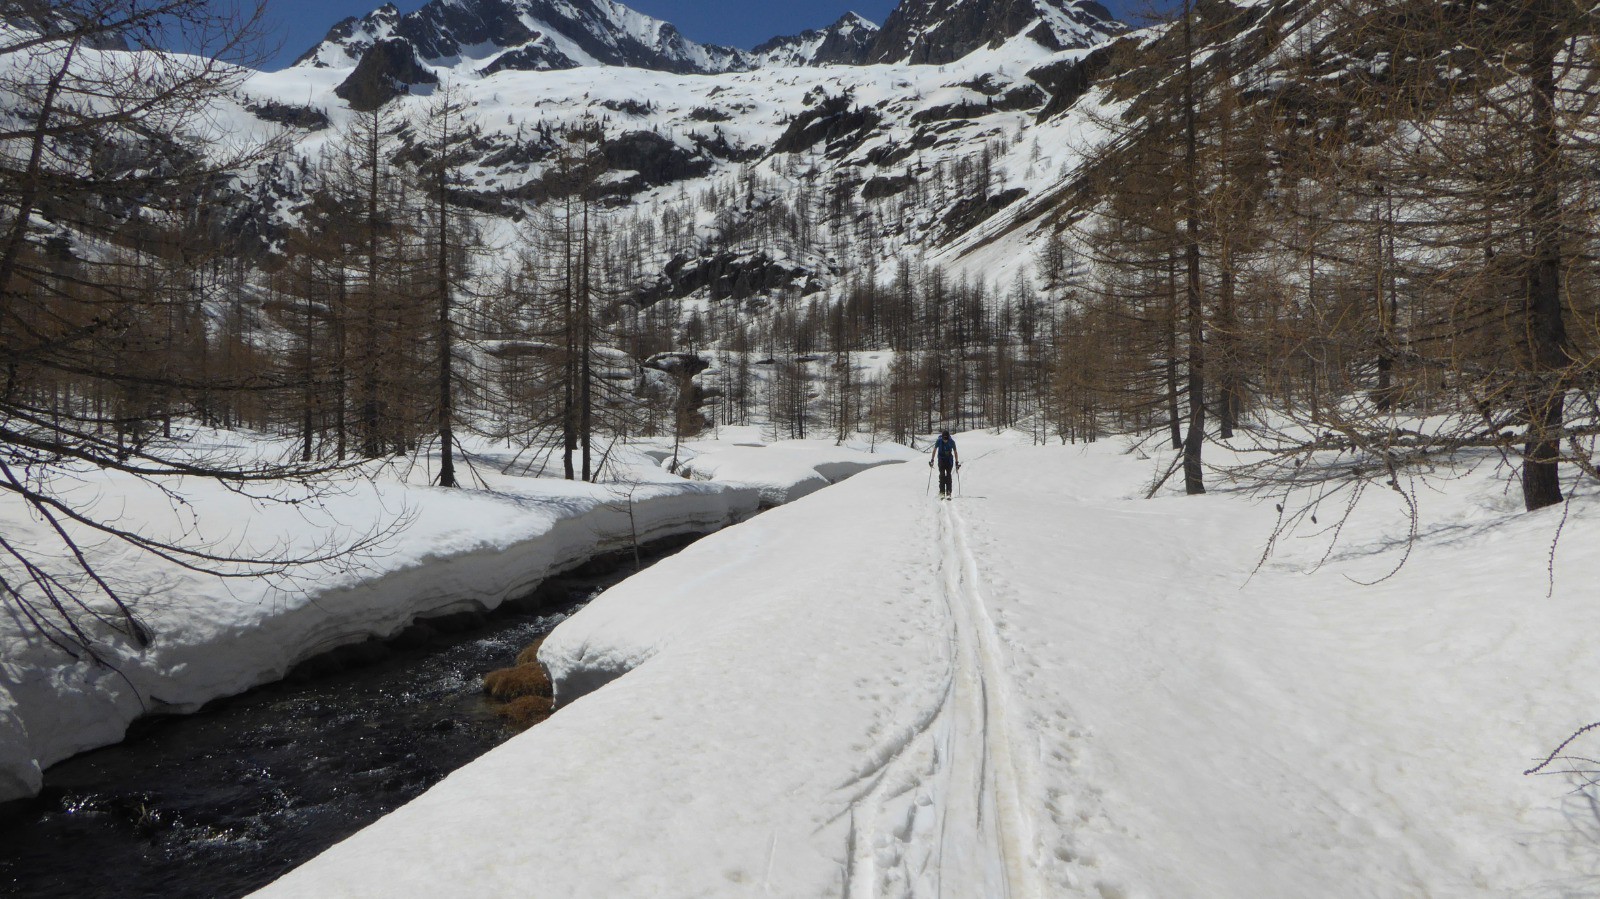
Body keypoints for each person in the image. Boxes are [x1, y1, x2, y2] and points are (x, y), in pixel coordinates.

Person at [929, 429, 959, 498]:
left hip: (949, 460)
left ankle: (948, 491)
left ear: (948, 437)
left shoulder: (952, 442)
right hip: (941, 459)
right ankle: (942, 492)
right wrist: (932, 460)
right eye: (944, 439)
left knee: (948, 475)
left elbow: (955, 452)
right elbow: (934, 450)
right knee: (942, 475)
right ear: (942, 437)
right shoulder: (939, 441)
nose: (945, 440)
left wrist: (957, 462)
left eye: (946, 439)